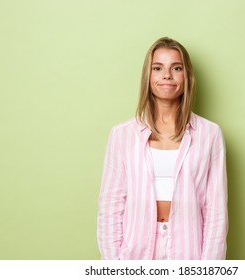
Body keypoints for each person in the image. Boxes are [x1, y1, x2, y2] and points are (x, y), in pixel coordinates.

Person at [97, 37, 228, 260]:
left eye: (176, 68)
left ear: (187, 77)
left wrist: (210, 268)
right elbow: (110, 206)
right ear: (148, 76)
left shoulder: (210, 134)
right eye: (158, 68)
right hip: (135, 251)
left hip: (188, 251)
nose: (166, 75)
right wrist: (113, 264)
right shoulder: (122, 135)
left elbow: (215, 211)